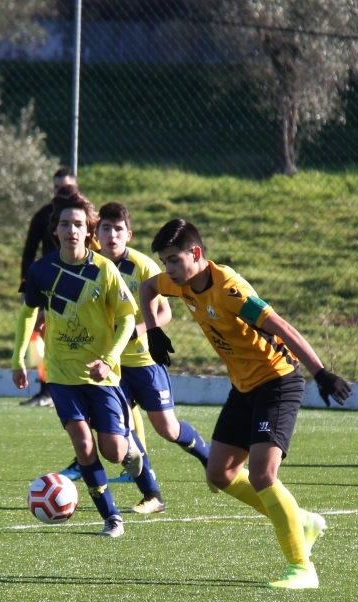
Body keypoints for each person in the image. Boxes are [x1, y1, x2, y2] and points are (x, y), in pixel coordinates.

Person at [139, 219, 351, 588]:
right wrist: (154, 330)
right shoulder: (180, 282)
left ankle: (302, 569)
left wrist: (321, 373)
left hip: (278, 382)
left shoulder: (231, 292)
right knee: (219, 473)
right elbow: (146, 287)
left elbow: (283, 328)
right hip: (243, 388)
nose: (168, 270)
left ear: (197, 254)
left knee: (262, 474)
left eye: (174, 260)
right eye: (165, 262)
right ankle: (300, 520)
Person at [64, 202, 216, 513]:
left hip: (145, 361)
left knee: (167, 429)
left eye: (118, 229)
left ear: (128, 234)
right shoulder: (89, 267)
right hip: (112, 366)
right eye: (105, 229)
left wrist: (138, 329)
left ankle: (209, 457)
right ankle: (152, 495)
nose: (112, 235)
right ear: (97, 233)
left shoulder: (143, 266)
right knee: (117, 428)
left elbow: (164, 312)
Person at [12, 186, 145, 538]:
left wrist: (110, 358)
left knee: (114, 451)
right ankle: (111, 516)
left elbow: (128, 318)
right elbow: (28, 314)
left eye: (79, 224)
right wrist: (18, 358)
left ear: (89, 231)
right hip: (60, 371)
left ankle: (129, 444)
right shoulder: (41, 270)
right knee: (83, 446)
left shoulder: (103, 269)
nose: (72, 230)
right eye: (65, 224)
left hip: (100, 372)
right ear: (55, 230)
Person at [17, 168, 77, 406]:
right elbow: (28, 253)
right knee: (40, 337)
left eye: (66, 188)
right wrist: (26, 288)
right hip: (47, 286)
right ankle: (45, 390)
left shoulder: (84, 216)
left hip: (77, 287)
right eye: (57, 188)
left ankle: (74, 388)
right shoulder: (43, 215)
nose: (61, 193)